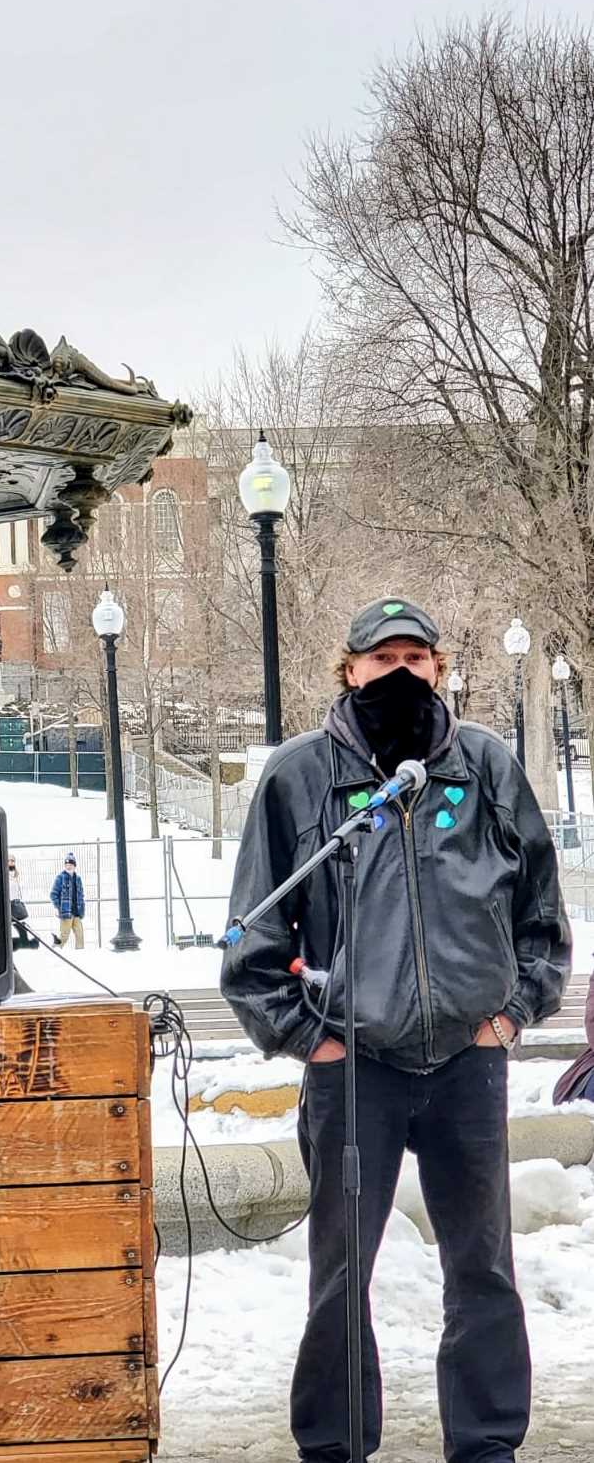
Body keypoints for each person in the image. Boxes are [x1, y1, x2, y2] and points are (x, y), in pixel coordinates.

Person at [220, 596, 571, 1463]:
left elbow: (542, 918)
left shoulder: (485, 766)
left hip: (466, 1062)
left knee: (482, 1270)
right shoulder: (298, 778)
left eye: (417, 658)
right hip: (354, 1069)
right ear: (349, 670)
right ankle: (334, 1444)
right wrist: (314, 1040)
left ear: (440, 670)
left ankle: (487, 1442)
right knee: (341, 1276)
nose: (401, 674)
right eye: (383, 661)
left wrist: (511, 1014)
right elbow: (254, 944)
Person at [50, 853, 85, 949]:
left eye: (71, 865)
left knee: (80, 935)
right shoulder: (60, 878)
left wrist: (82, 909)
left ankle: (80, 954)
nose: (68, 867)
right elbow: (53, 894)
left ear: (74, 866)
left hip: (77, 913)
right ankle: (55, 951)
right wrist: (59, 907)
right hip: (66, 913)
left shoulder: (78, 879)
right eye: (67, 865)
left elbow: (81, 895)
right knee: (64, 936)